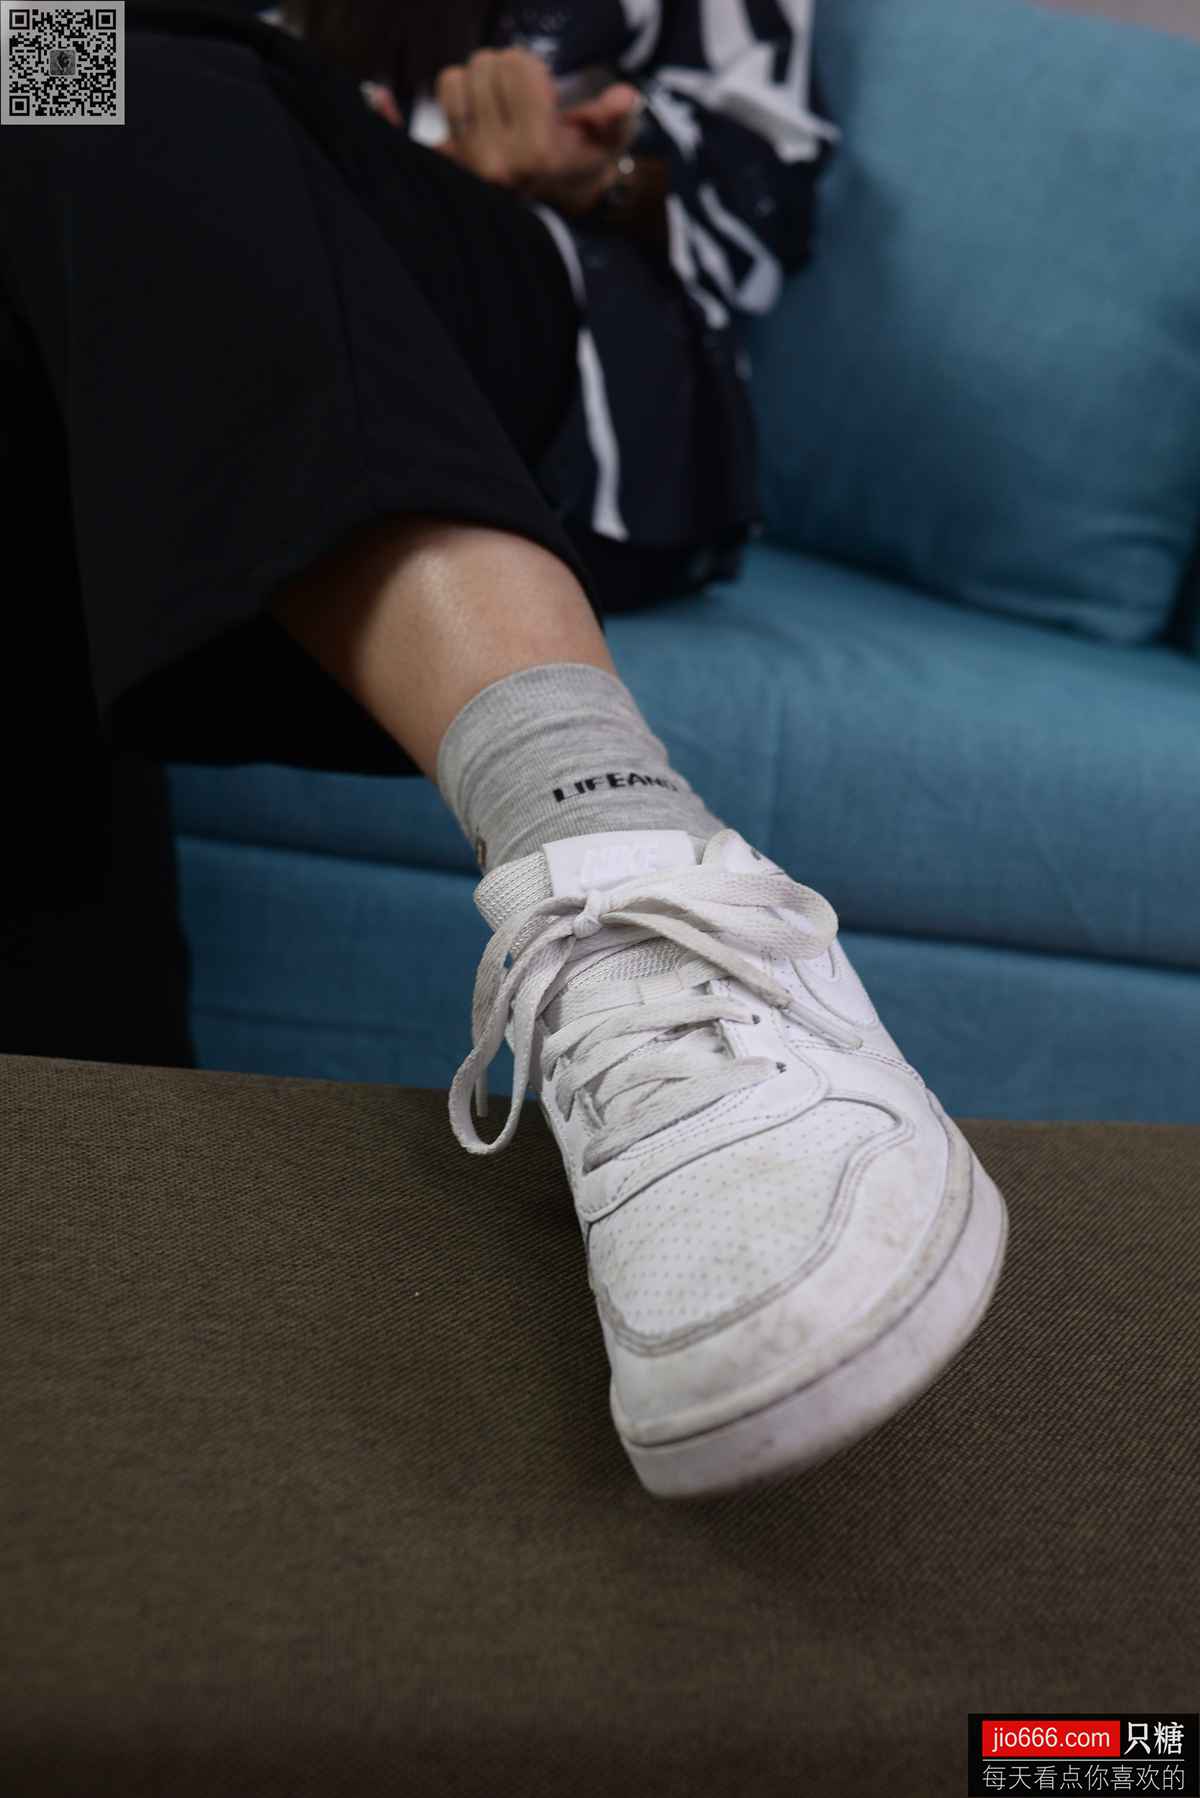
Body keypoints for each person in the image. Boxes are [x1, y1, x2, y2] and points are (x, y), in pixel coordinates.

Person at [0, 0, 1009, 1498]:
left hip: (537, 313)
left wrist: (599, 165)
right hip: (128, 349)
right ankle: (74, 1159)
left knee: (91, 74)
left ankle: (614, 862)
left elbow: (753, 200)